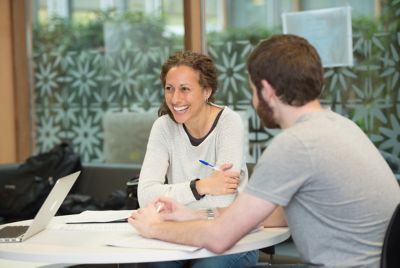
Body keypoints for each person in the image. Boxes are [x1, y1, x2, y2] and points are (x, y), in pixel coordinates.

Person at [129, 34, 400, 267]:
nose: (253, 99)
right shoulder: (342, 127)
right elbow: (272, 214)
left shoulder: (294, 145)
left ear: (267, 90)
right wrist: (194, 214)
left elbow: (219, 237)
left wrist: (155, 227)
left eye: (252, 89)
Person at [137, 51, 258, 267]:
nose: (175, 99)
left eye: (185, 89)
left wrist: (179, 211)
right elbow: (145, 196)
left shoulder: (229, 123)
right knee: (157, 263)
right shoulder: (163, 127)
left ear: (206, 91)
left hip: (232, 237)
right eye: (169, 88)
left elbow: (225, 201)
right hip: (180, 236)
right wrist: (201, 186)